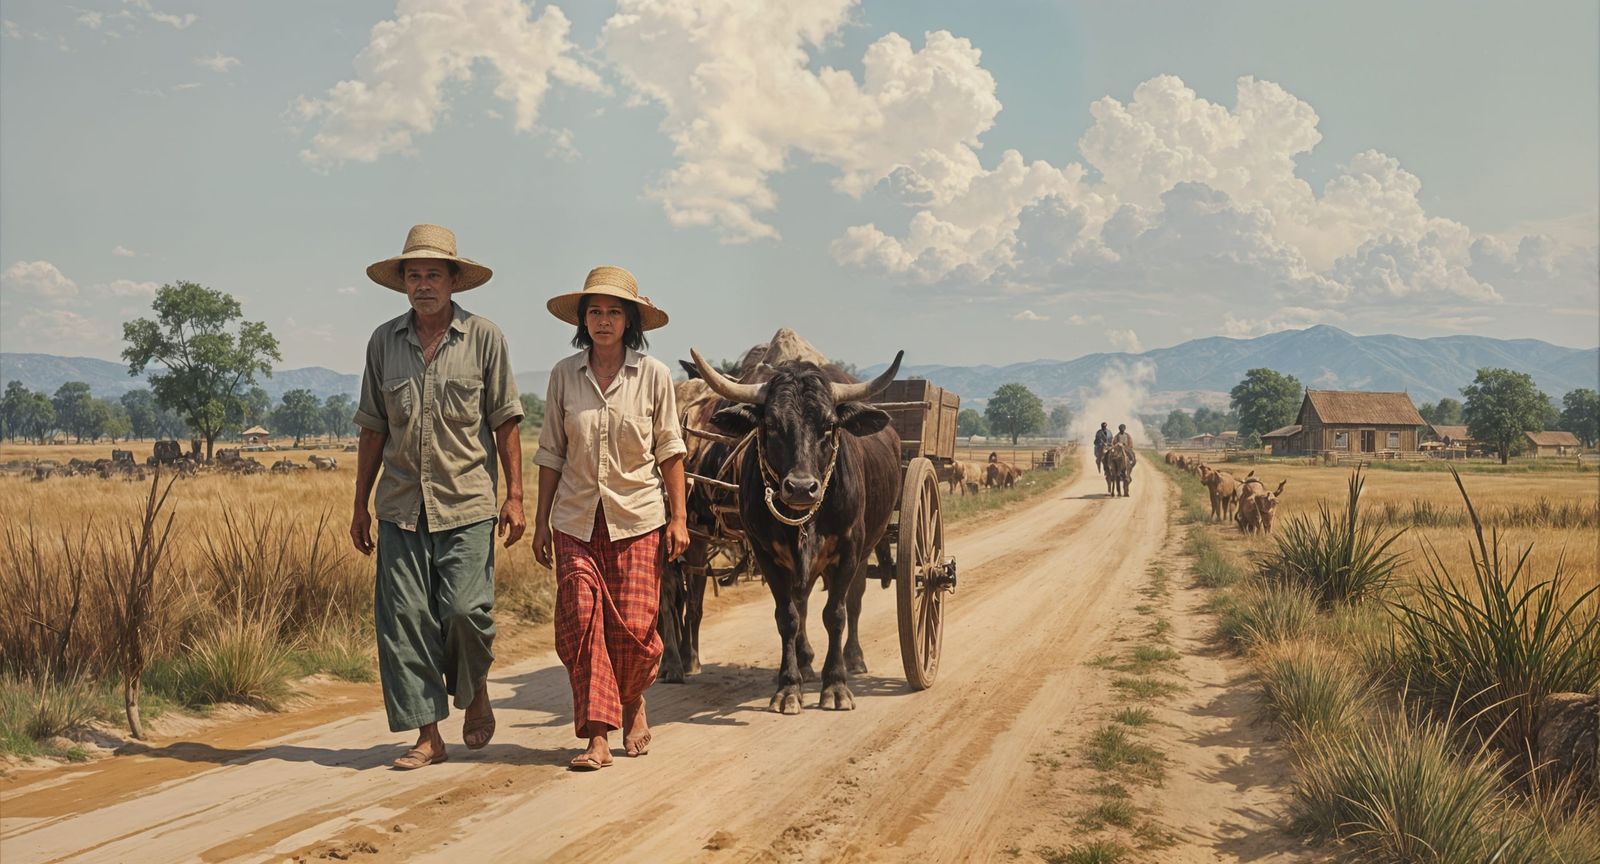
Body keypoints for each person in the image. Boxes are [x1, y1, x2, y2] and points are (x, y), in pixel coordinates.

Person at [350, 224, 526, 770]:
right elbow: (374, 428)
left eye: (433, 274)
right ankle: (428, 734)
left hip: (468, 502)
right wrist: (360, 503)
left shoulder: (485, 338)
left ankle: (473, 691)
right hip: (401, 505)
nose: (423, 283)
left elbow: (505, 422)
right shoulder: (384, 341)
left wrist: (516, 495)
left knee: (464, 612)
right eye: (413, 274)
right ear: (402, 283)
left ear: (454, 280)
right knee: (404, 620)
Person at [531, 266, 689, 771]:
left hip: (638, 517)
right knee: (581, 620)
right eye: (595, 311)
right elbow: (552, 453)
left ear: (630, 321)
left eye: (613, 312)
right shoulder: (563, 375)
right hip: (575, 519)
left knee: (637, 628)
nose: (603, 320)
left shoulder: (655, 376)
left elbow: (670, 450)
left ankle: (633, 698)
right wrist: (540, 523)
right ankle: (597, 735)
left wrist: (679, 519)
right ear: (582, 320)